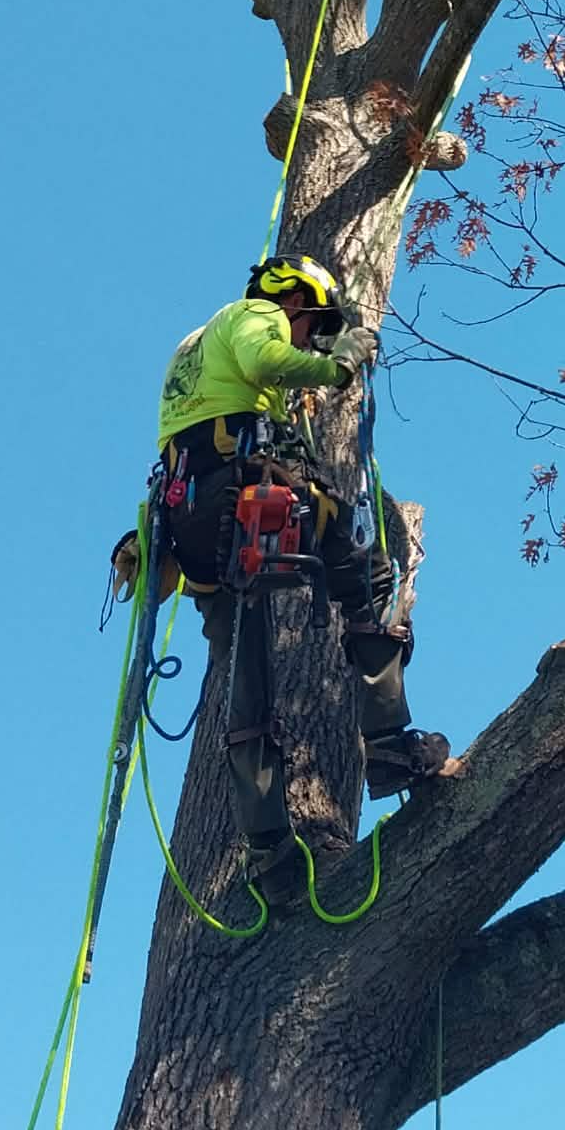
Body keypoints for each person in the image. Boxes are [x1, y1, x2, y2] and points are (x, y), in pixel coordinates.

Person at [142, 252, 449, 902]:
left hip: (194, 521)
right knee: (364, 576)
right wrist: (335, 363)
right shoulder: (253, 314)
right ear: (294, 299)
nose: (309, 337)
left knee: (245, 675)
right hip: (245, 493)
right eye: (312, 324)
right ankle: (390, 742)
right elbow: (264, 360)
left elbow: (227, 402)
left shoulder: (191, 349)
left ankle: (268, 854)